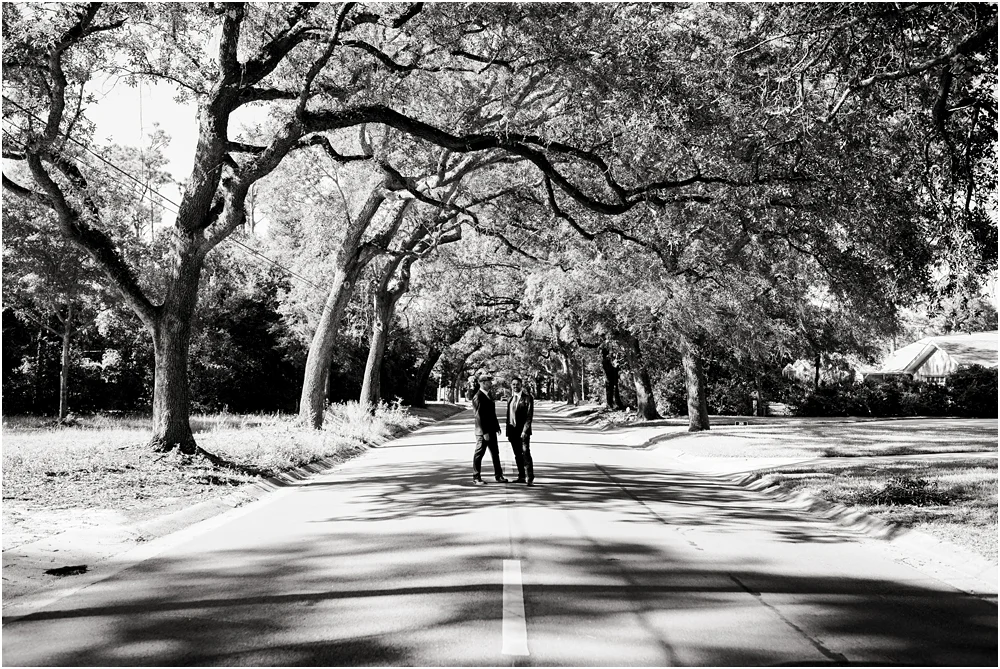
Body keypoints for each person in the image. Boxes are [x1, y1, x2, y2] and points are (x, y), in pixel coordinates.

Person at [471, 376, 508, 485]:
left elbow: (492, 414)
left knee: (495, 453)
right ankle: (476, 477)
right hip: (483, 432)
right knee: (479, 454)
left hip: (492, 430)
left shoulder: (488, 395)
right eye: (488, 382)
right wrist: (485, 432)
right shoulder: (478, 397)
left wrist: (497, 427)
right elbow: (479, 417)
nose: (490, 384)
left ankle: (499, 475)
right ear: (482, 383)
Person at [505, 375, 534, 485]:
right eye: (513, 384)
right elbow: (509, 417)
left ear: (521, 385)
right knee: (517, 455)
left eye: (517, 384)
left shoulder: (528, 398)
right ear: (511, 386)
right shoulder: (510, 399)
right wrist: (508, 433)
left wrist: (525, 431)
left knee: (526, 453)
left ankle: (529, 477)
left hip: (523, 432)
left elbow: (529, 416)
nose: (515, 386)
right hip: (512, 432)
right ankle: (521, 476)